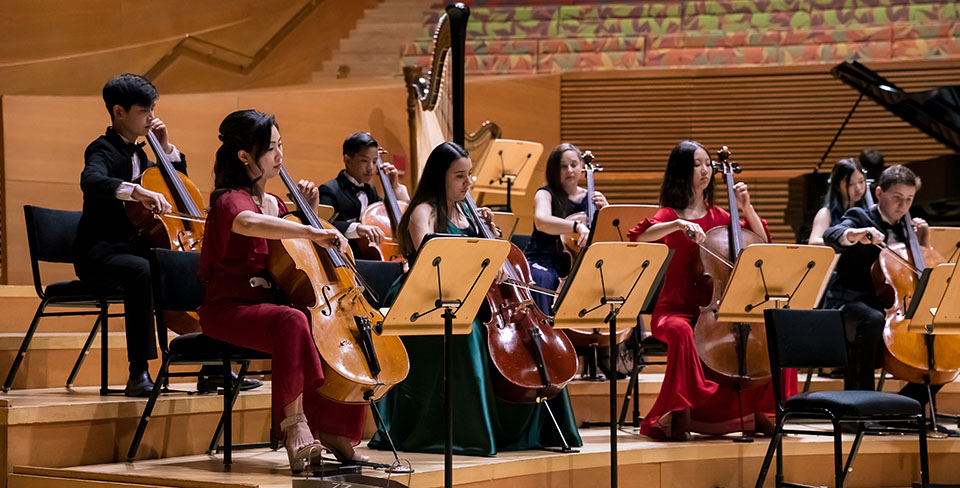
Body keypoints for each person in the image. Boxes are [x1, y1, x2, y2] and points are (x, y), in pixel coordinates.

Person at [368, 142, 583, 455]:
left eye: (469, 174)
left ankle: (533, 428)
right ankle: (470, 433)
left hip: (469, 296)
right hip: (427, 298)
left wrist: (492, 241)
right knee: (468, 333)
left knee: (532, 345)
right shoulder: (423, 212)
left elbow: (491, 264)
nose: (468, 183)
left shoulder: (467, 210)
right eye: (459, 176)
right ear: (439, 177)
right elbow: (433, 263)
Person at [197, 110, 366, 473]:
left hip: (269, 305)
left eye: (281, 146)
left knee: (334, 329)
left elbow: (305, 255)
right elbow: (246, 222)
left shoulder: (276, 203)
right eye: (271, 148)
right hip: (228, 309)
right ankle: (295, 427)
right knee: (292, 320)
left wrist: (311, 211)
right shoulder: (230, 199)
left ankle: (334, 431)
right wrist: (307, 229)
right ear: (245, 156)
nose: (280, 156)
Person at [627, 140, 794, 441]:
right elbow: (639, 236)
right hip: (674, 311)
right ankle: (682, 411)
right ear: (682, 171)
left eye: (708, 164)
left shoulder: (720, 216)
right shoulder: (668, 215)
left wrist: (747, 207)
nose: (705, 170)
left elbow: (760, 241)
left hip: (716, 311)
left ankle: (763, 411)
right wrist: (678, 224)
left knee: (774, 328)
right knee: (681, 332)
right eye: (697, 164)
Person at [74, 74, 183, 397]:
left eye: (153, 108)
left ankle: (213, 367)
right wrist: (135, 191)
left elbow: (179, 188)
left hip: (133, 249)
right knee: (142, 272)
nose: (151, 116)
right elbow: (90, 180)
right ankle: (139, 372)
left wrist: (165, 151)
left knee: (189, 267)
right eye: (144, 110)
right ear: (119, 112)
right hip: (99, 254)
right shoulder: (102, 149)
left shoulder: (144, 154)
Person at [822, 165, 940, 405]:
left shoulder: (909, 228)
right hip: (850, 301)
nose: (903, 206)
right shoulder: (860, 216)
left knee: (942, 329)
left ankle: (907, 407)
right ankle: (860, 408)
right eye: (897, 198)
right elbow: (832, 234)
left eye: (909, 199)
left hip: (891, 305)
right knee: (872, 319)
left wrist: (923, 243)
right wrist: (856, 234)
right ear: (878, 193)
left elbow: (918, 275)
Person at [523, 143, 608, 314]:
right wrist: (576, 226)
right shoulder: (545, 194)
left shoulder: (591, 198)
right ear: (554, 170)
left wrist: (606, 211)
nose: (569, 170)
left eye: (574, 165)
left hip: (578, 262)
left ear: (582, 166)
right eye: (563, 166)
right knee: (542, 278)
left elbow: (609, 234)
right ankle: (543, 335)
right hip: (544, 259)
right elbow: (542, 221)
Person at [318, 132, 410, 255]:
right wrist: (357, 228)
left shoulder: (371, 191)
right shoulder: (329, 190)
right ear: (347, 160)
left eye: (374, 161)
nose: (371, 168)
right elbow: (323, 224)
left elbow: (390, 220)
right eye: (364, 161)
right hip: (344, 257)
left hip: (370, 255)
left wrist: (393, 187)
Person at [807, 158, 867, 245]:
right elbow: (813, 242)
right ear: (837, 186)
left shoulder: (868, 209)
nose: (858, 188)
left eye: (861, 182)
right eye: (850, 184)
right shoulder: (825, 213)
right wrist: (846, 239)